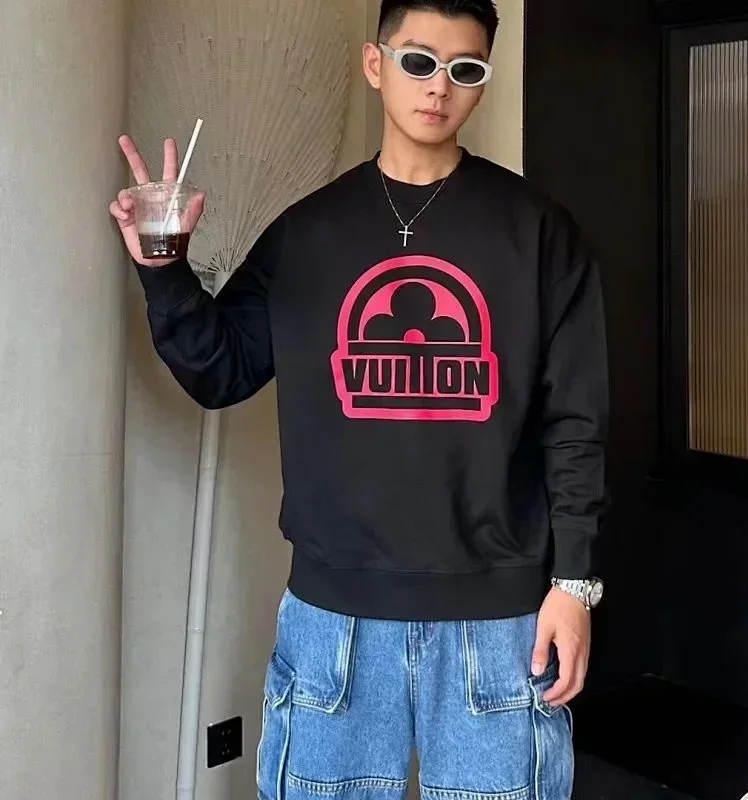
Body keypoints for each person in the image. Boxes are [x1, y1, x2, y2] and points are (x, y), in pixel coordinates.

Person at [109, 1, 608, 797]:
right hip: (333, 618)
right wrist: (164, 268)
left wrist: (574, 583)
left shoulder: (539, 233)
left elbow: (575, 420)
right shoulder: (308, 233)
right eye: (418, 61)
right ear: (376, 65)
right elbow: (222, 371)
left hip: (499, 620)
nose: (438, 86)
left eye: (464, 69)